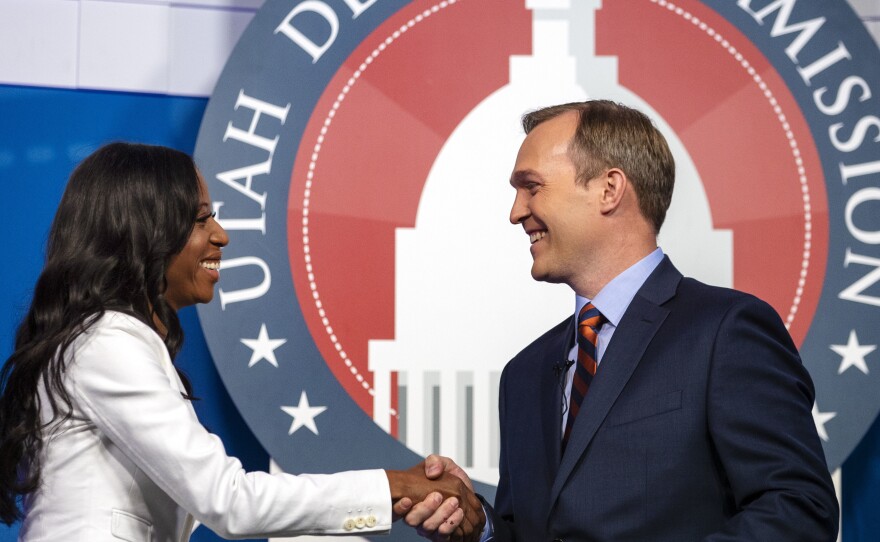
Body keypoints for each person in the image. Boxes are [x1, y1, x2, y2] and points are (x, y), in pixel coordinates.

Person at [0, 142, 483, 541]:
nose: (221, 236)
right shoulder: (107, 342)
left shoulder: (109, 341)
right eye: (200, 219)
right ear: (142, 233)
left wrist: (399, 492)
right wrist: (395, 485)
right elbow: (229, 502)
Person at [403, 101, 839, 541]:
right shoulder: (524, 373)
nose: (515, 212)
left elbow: (798, 509)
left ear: (609, 189)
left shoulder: (725, 330)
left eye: (531, 187)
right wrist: (480, 525)